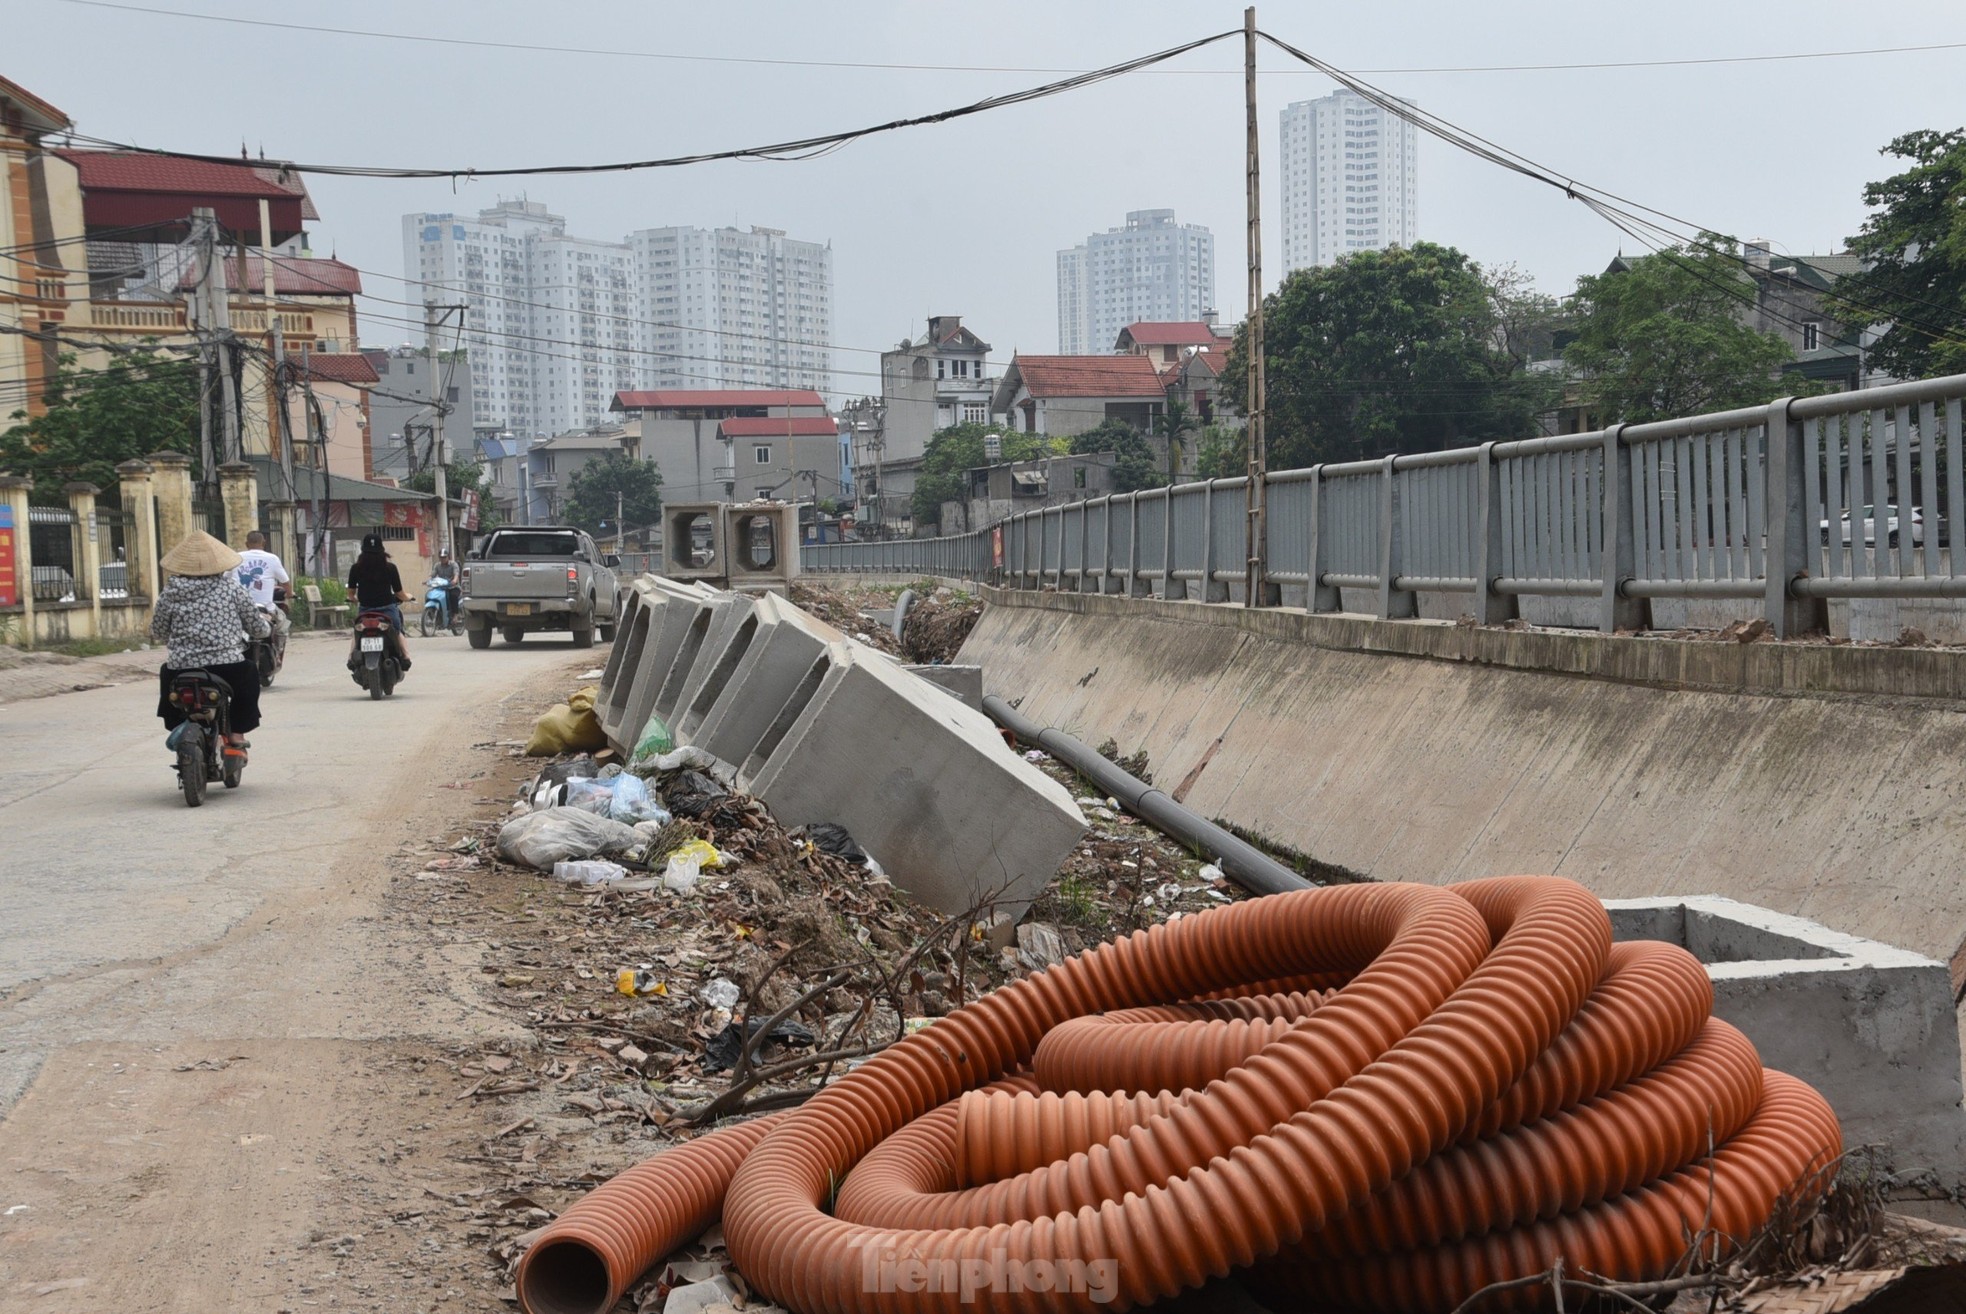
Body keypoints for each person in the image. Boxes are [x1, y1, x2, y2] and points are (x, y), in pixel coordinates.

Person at [150, 530, 270, 757]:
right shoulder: (231, 588)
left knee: (167, 672)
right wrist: (264, 630)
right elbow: (256, 626)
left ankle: (177, 726)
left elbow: (158, 631)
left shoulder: (171, 591)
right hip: (228, 667)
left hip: (182, 667)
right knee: (249, 671)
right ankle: (236, 732)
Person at [347, 532, 410, 670]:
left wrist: (354, 599)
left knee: (357, 633)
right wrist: (408, 598)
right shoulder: (390, 568)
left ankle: (350, 657)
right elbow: (399, 593)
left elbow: (351, 594)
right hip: (387, 610)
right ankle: (405, 657)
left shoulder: (355, 568)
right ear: (382, 550)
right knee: (398, 631)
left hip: (365, 611)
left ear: (362, 550)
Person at [235, 529, 291, 651]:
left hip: (238, 608)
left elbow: (226, 579)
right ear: (264, 543)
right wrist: (290, 594)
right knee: (283, 624)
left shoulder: (236, 557)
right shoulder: (272, 558)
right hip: (265, 609)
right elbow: (285, 582)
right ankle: (278, 649)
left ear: (246, 544)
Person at [431, 549, 461, 626]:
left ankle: (455, 615)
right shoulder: (437, 565)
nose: (443, 559)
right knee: (431, 594)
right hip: (441, 588)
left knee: (453, 596)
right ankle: (434, 614)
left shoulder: (453, 564)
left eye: (444, 557)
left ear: (448, 557)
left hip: (453, 587)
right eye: (441, 557)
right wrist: (428, 580)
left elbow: (456, 574)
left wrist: (454, 580)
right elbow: (433, 575)